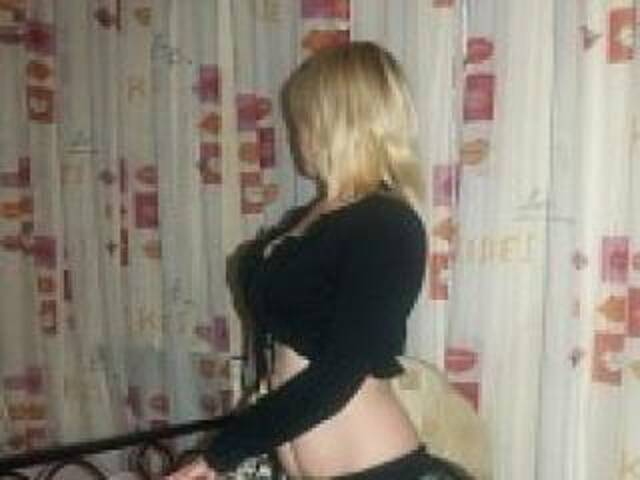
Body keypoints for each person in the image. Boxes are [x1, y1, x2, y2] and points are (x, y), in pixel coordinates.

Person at [166, 42, 472, 480]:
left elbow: (339, 374)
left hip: (376, 468)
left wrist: (222, 453)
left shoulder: (386, 224)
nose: (296, 135)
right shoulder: (306, 220)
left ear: (337, 122)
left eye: (303, 119)